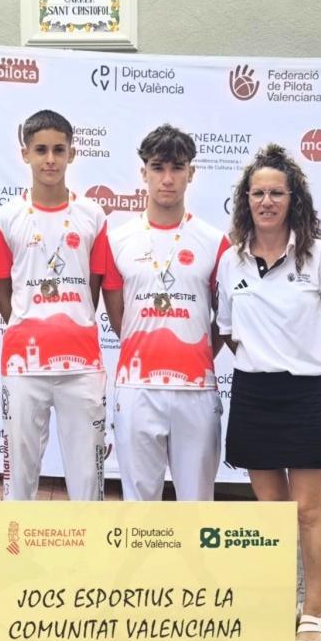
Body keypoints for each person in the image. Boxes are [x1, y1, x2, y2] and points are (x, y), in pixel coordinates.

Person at [215, 143, 321, 641]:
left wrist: (308, 365)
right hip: (255, 393)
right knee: (272, 513)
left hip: (306, 395)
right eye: (258, 192)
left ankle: (313, 615)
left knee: (308, 509)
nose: (267, 200)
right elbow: (228, 333)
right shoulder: (230, 262)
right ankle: (275, 608)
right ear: (245, 200)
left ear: (292, 197)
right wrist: (265, 359)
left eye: (277, 192)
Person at [99, 124, 229, 501]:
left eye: (177, 168)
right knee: (140, 506)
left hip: (196, 391)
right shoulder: (118, 239)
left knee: (197, 505)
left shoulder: (215, 241)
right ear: (144, 173)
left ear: (192, 173)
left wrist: (196, 354)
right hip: (137, 388)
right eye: (158, 167)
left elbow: (222, 319)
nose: (167, 179)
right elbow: (117, 315)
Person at [0, 110, 108, 501]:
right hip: (25, 365)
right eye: (41, 150)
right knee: (20, 474)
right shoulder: (5, 218)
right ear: (25, 154)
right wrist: (29, 324)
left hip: (82, 364)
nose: (50, 159)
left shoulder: (93, 216)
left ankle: (89, 558)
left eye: (59, 149)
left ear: (72, 153)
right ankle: (14, 554)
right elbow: (1, 287)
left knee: (87, 477)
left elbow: (94, 285)